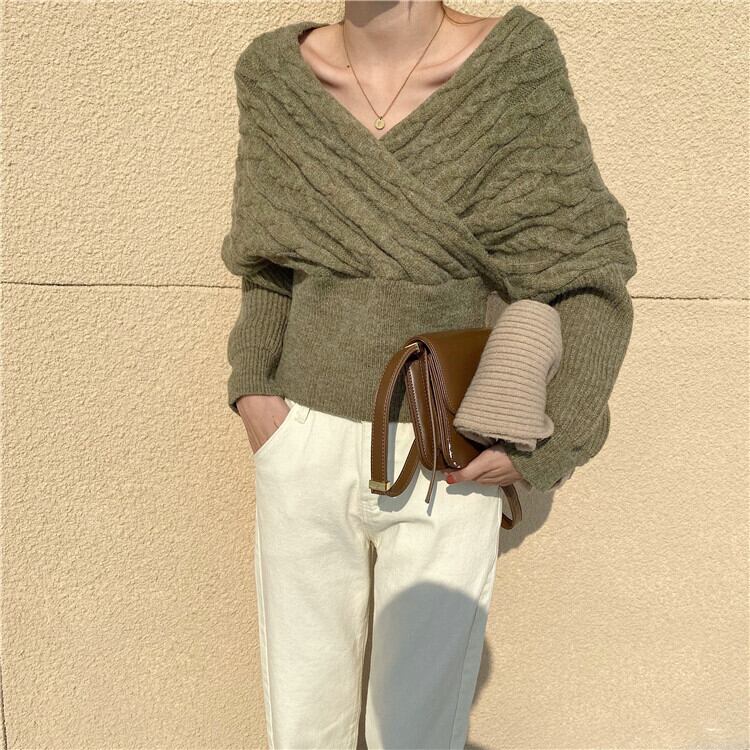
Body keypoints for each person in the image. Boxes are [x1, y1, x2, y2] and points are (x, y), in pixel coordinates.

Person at [221, 2, 637, 748]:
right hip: (300, 445)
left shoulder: (512, 65)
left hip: (444, 451)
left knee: (416, 730)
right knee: (302, 722)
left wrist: (552, 439)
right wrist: (256, 391)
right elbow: (267, 265)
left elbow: (586, 272)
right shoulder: (275, 74)